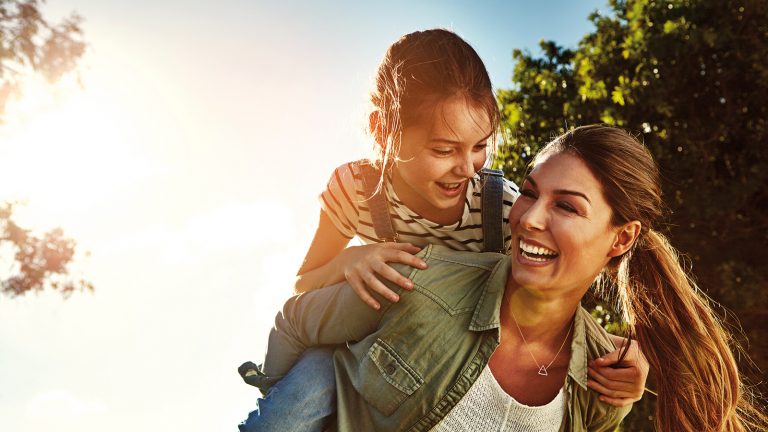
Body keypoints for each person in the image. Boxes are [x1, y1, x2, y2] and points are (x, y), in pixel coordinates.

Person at [239, 29, 647, 430]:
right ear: (383, 131)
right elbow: (304, 285)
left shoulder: (504, 208)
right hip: (360, 344)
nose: (467, 168)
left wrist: (618, 352)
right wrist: (352, 259)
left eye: (479, 146)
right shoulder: (357, 189)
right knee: (291, 407)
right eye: (444, 149)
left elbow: (544, 303)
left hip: (439, 353)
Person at [243, 125, 767, 431]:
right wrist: (282, 408)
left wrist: (627, 391)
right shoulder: (416, 283)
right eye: (532, 192)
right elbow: (295, 320)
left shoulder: (605, 379)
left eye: (566, 206)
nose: (530, 217)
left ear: (622, 238)